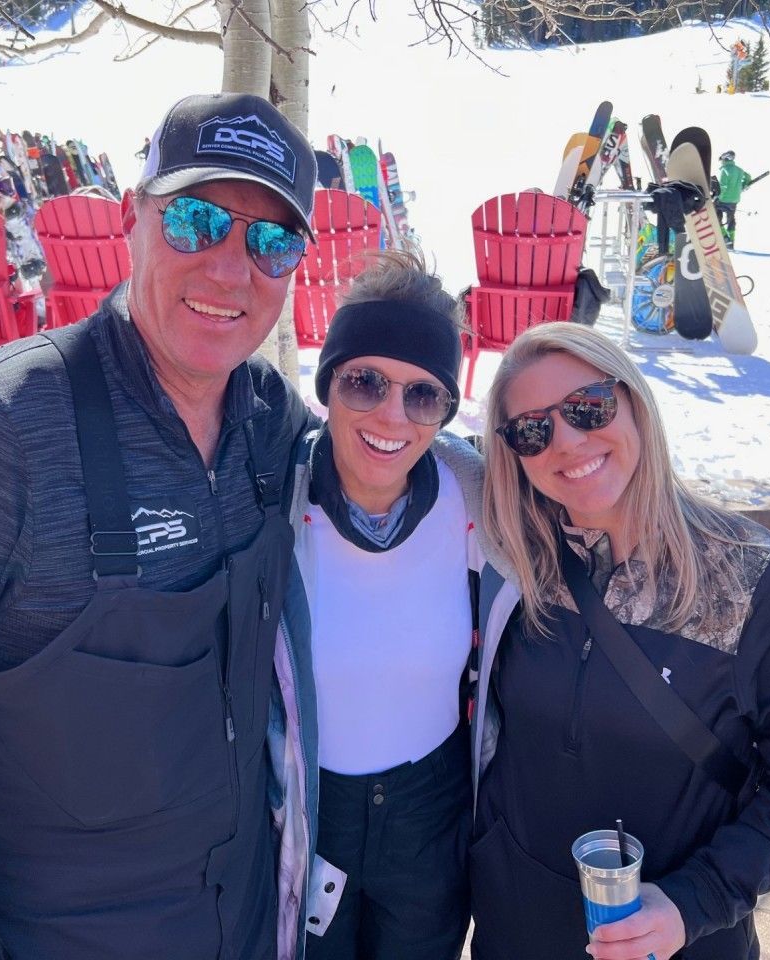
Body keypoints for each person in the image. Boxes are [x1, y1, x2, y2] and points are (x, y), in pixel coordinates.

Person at [0, 92, 324, 960]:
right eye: (198, 220)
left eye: (272, 241)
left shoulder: (270, 422)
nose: (232, 269)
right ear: (132, 219)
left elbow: (387, 461)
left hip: (245, 924)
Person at [470, 323, 770, 960]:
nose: (567, 441)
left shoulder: (750, 577)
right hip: (516, 929)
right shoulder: (513, 559)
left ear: (635, 402)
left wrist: (695, 901)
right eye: (532, 430)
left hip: (675, 940)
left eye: (588, 407)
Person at [290, 250, 481, 959]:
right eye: (364, 382)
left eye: (422, 394)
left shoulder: (475, 498)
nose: (391, 415)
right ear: (327, 386)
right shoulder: (271, 504)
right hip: (311, 808)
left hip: (430, 812)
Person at [714, 149, 752, 249]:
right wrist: (743, 185)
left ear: (725, 159)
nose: (721, 162)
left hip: (723, 199)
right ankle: (731, 241)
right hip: (734, 200)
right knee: (731, 220)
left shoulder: (724, 170)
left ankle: (725, 237)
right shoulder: (739, 170)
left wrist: (717, 197)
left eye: (722, 159)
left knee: (715, 215)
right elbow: (748, 177)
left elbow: (723, 186)